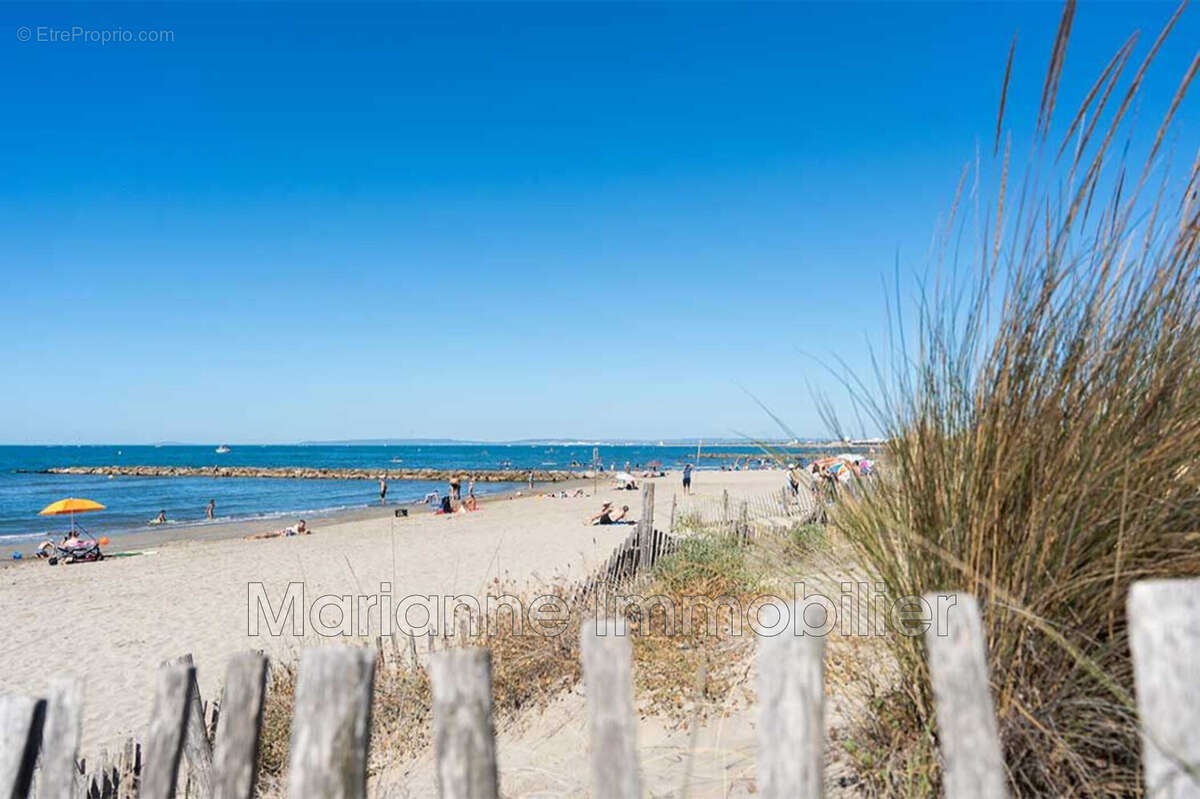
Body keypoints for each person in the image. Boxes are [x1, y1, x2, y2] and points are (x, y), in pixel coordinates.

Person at [245, 519, 310, 540]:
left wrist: (306, 531)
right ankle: (249, 537)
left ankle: (249, 537)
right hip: (283, 532)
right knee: (267, 535)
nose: (303, 525)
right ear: (299, 524)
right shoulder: (297, 527)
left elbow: (306, 532)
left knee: (267, 535)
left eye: (303, 524)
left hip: (283, 533)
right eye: (302, 524)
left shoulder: (302, 529)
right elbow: (299, 531)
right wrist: (304, 532)